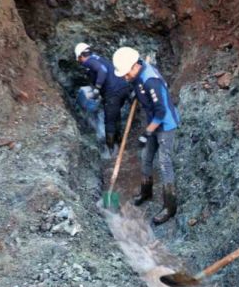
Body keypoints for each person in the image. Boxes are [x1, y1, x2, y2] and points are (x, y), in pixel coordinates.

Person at [112, 46, 180, 225]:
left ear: (135, 66)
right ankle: (146, 192)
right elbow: (139, 87)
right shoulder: (137, 73)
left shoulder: (151, 81)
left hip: (165, 125)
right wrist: (136, 92)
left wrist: (148, 131)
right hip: (153, 122)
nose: (125, 77)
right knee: (146, 157)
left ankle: (170, 207)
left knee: (164, 163)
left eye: (126, 73)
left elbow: (161, 111)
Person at [74, 42, 132, 156]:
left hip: (113, 92)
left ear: (81, 56)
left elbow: (102, 71)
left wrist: (97, 89)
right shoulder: (99, 58)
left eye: (79, 59)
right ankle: (119, 142)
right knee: (115, 115)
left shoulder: (88, 61)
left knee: (109, 121)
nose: (80, 62)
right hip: (124, 88)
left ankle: (111, 152)